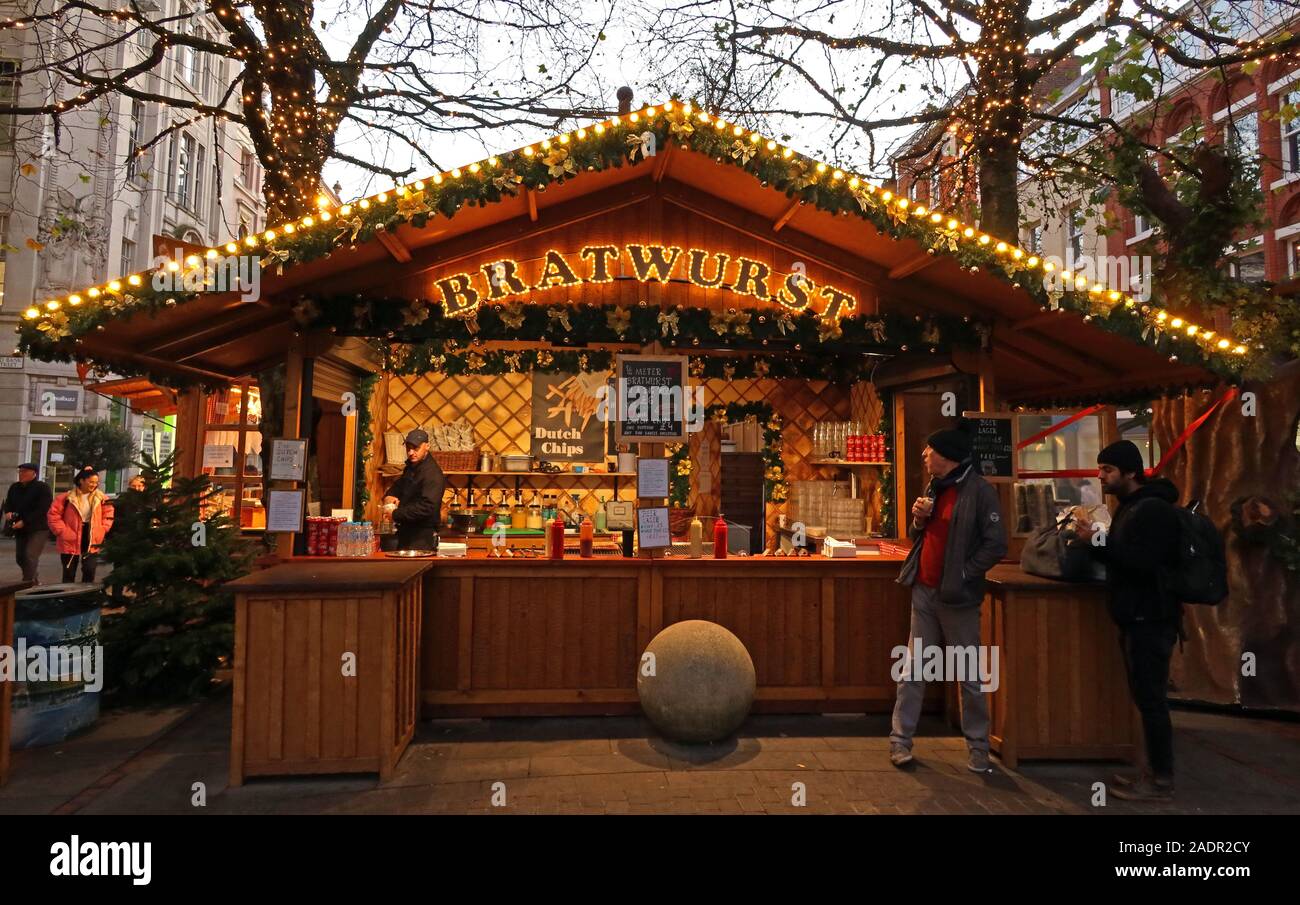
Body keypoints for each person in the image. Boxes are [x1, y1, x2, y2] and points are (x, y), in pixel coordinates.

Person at [892, 427, 1008, 773]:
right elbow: (920, 536)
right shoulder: (934, 488)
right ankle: (900, 741)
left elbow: (996, 544)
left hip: (957, 597)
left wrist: (964, 573)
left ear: (948, 455)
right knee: (913, 669)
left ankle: (978, 747)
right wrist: (918, 519)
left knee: (969, 673)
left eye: (931, 450)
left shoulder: (979, 491)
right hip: (924, 590)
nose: (925, 456)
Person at [1072, 439, 1181, 802]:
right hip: (1136, 615)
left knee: (1152, 700)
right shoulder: (1132, 506)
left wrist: (1096, 543)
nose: (1101, 476)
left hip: (1150, 616)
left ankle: (1160, 780)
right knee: (1145, 697)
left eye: (1108, 470)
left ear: (1130, 472)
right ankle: (1149, 771)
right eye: (1101, 468)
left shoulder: (1151, 510)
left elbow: (1141, 562)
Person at [48, 466, 115, 584]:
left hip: (92, 536)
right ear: (81, 481)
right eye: (91, 482)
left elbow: (108, 514)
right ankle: (67, 597)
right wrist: (62, 531)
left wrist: (103, 528)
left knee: (89, 570)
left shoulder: (102, 498)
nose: (94, 485)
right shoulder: (66, 498)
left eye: (96, 482)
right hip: (70, 537)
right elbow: (53, 515)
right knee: (69, 572)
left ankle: (85, 597)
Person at [382, 429, 445, 550]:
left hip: (422, 537)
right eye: (408, 448)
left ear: (427, 446)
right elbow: (400, 485)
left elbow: (427, 508)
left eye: (416, 448)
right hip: (407, 532)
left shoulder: (432, 474)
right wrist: (389, 495)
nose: (411, 453)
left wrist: (395, 514)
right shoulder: (412, 467)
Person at [3, 463, 53, 584]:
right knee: (20, 557)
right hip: (20, 527)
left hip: (38, 528)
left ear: (34, 473)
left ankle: (27, 583)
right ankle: (33, 578)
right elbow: (8, 502)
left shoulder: (42, 488)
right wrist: (8, 512)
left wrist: (25, 521)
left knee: (30, 555)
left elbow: (43, 509)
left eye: (25, 471)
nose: (21, 474)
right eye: (20, 471)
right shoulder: (15, 487)